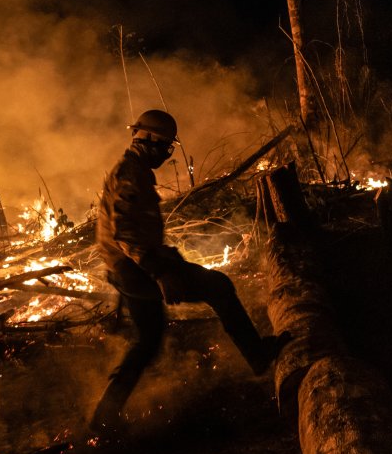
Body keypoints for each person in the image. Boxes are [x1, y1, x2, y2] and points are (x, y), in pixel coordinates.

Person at [90, 109, 289, 433]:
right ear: (149, 140)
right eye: (165, 147)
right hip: (136, 268)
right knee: (218, 286)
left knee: (148, 341)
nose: (166, 154)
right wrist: (161, 273)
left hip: (130, 267)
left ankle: (104, 416)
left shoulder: (134, 169)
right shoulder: (130, 174)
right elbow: (124, 232)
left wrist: (165, 259)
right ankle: (257, 356)